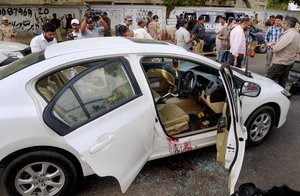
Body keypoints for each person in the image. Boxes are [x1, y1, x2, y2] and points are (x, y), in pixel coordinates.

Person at [267, 16, 300, 89]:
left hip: (281, 62)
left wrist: (271, 45)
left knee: (268, 80)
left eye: (284, 23)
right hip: (289, 62)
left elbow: (276, 48)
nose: (282, 25)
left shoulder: (289, 34)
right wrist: (276, 43)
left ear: (287, 25)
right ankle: (281, 97)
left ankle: (269, 97)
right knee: (282, 81)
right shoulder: (296, 34)